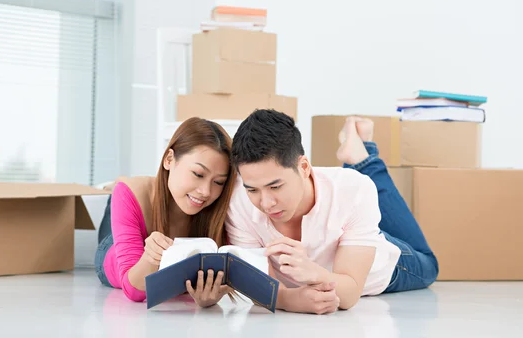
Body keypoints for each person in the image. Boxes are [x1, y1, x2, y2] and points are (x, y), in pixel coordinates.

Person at [225, 109, 439, 315]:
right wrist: (291, 300)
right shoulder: (238, 203)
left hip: (377, 267)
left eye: (275, 186)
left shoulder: (354, 189)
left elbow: (350, 292)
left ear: (304, 167)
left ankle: (363, 158)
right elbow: (258, 285)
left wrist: (314, 272)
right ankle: (358, 155)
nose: (266, 203)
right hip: (348, 228)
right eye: (253, 189)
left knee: (429, 266)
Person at [95, 117, 237, 307]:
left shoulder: (221, 205)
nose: (206, 191)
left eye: (218, 182)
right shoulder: (133, 193)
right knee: (120, 194)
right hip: (113, 252)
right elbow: (135, 292)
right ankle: (115, 188)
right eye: (198, 174)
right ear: (169, 159)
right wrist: (149, 258)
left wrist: (209, 298)